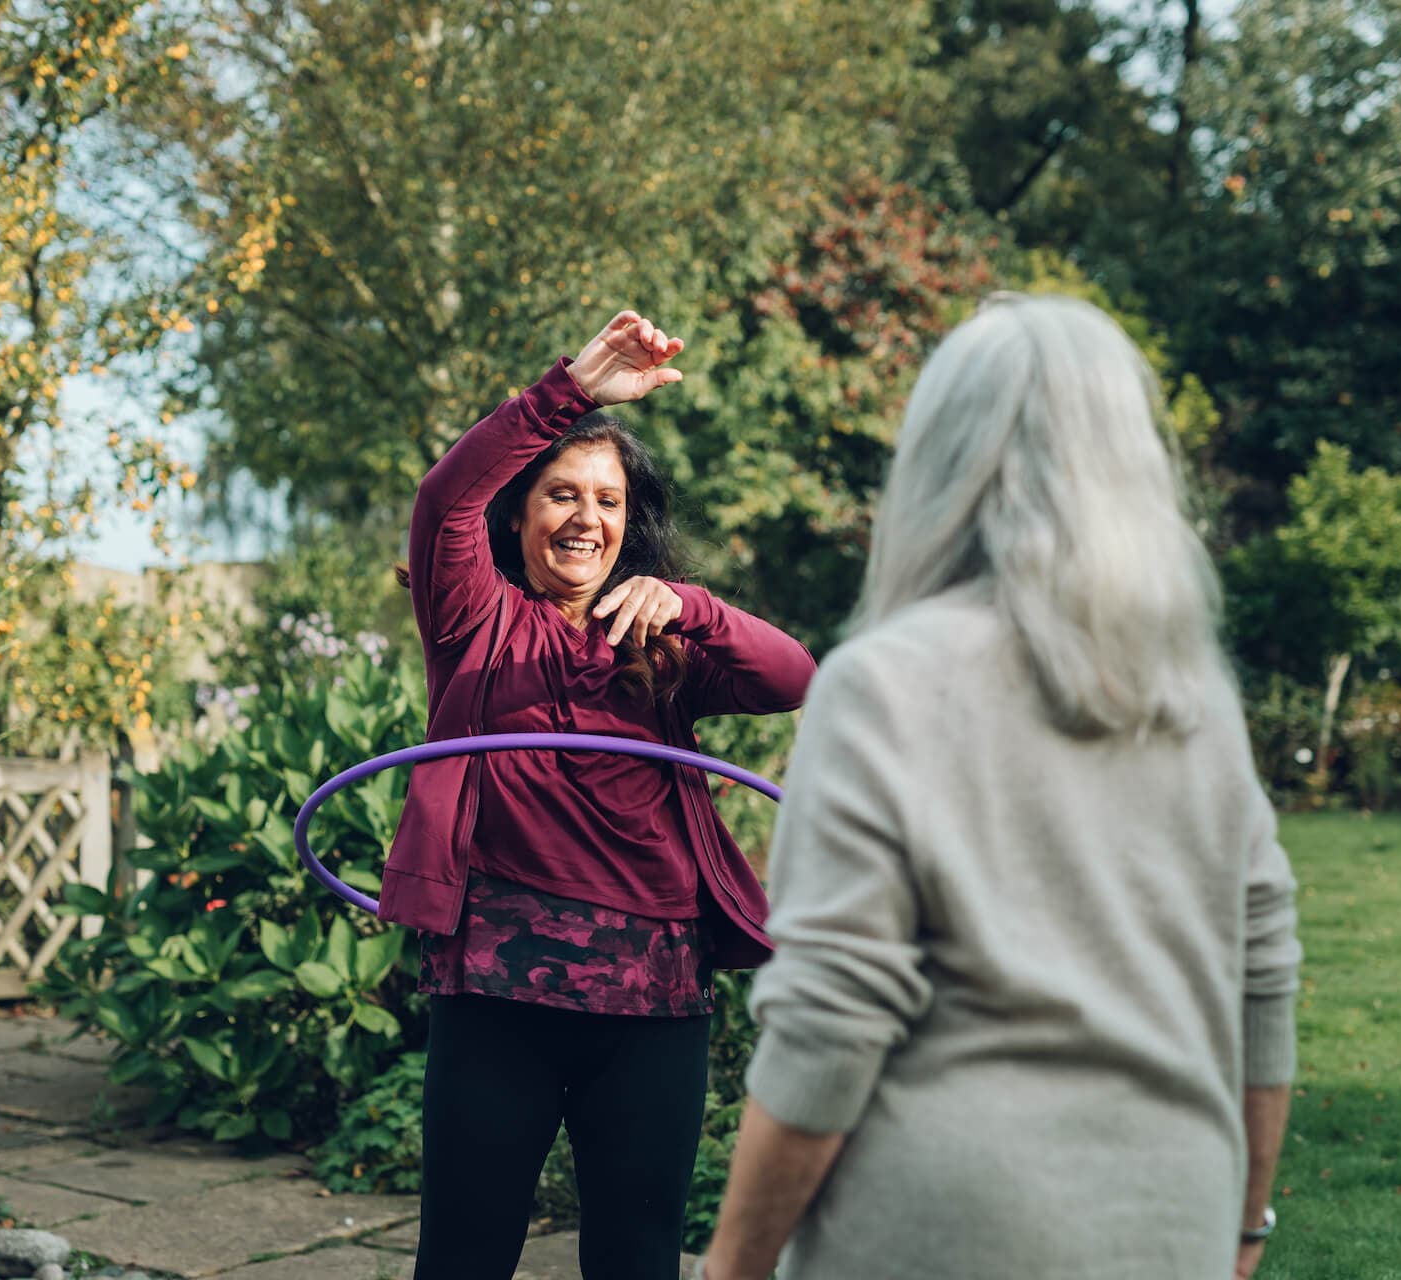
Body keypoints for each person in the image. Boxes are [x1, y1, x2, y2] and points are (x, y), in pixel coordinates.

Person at [698, 293, 1303, 1280]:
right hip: (1172, 1219)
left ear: (939, 458)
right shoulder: (1196, 699)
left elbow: (830, 1023)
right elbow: (1264, 978)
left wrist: (733, 1265)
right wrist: (1242, 1224)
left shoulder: (883, 680)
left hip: (938, 1228)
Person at [383, 310, 816, 1279]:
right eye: (561, 494)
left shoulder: (665, 648)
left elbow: (796, 678)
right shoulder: (475, 618)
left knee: (636, 1255)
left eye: (609, 500)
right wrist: (568, 392)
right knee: (462, 1254)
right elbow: (445, 498)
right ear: (521, 514)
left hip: (655, 992)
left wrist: (693, 606)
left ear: (632, 521)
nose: (587, 517)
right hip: (499, 985)